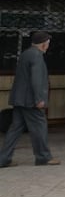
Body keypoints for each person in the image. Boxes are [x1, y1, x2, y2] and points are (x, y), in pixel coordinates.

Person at [0, 31, 57, 167]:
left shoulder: (26, 54)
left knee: (15, 129)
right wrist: (39, 99)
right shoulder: (37, 56)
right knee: (40, 126)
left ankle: (3, 158)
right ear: (43, 45)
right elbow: (36, 79)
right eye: (47, 44)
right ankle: (43, 157)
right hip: (30, 100)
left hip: (19, 99)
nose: (48, 47)